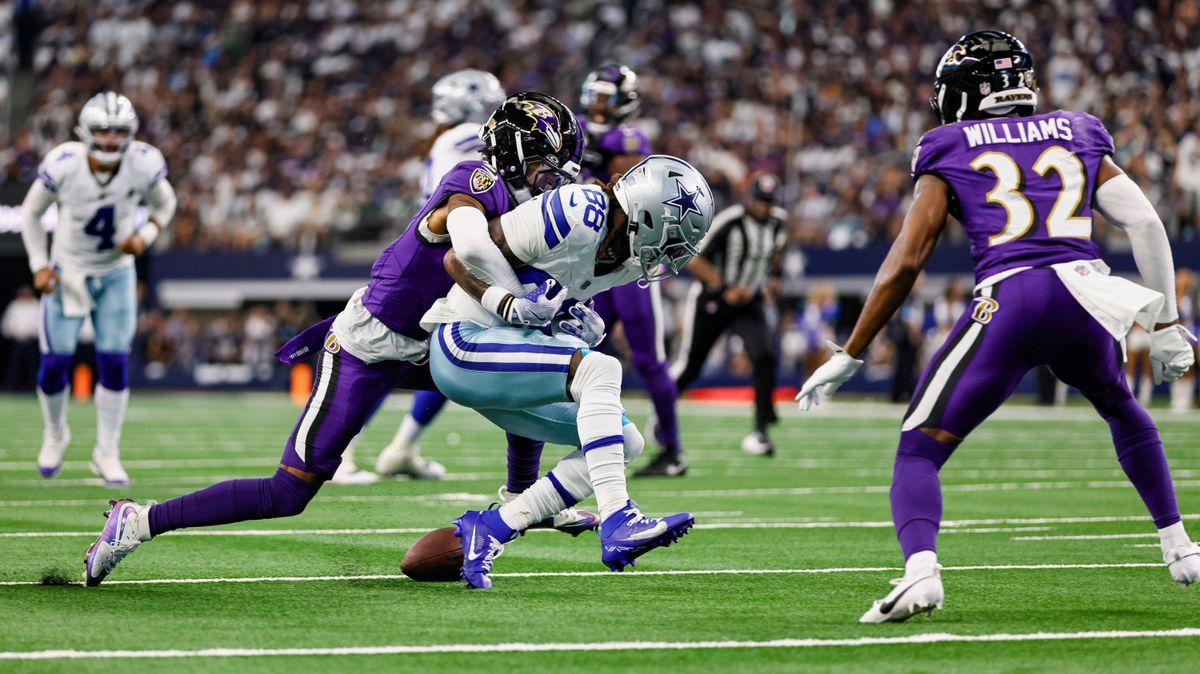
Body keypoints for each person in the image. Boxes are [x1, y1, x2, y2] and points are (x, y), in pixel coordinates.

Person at [82, 93, 587, 587]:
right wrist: (517, 301)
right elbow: (471, 244)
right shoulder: (475, 180)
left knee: (524, 377)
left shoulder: (531, 219)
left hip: (433, 343)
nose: (556, 180)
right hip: (371, 343)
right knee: (288, 493)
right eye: (547, 166)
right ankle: (140, 521)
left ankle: (522, 493)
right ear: (515, 155)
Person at [796, 31, 1200, 623]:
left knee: (918, 449)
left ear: (964, 93)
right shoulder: (1078, 129)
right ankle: (1179, 546)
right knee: (1121, 405)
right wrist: (1166, 320)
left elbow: (909, 259)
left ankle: (921, 573)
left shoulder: (947, 143)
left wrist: (852, 350)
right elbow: (1144, 222)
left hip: (1011, 299)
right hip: (1085, 294)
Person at [421, 155, 714, 588]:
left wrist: (568, 317)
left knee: (626, 440)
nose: (669, 254)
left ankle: (494, 528)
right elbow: (458, 258)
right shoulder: (577, 211)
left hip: (501, 357)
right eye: (671, 239)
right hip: (462, 341)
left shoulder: (625, 260)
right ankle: (618, 516)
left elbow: (551, 297)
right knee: (600, 370)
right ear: (646, 214)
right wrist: (509, 303)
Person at [20, 92, 177, 486]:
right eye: (102, 130)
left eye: (118, 131)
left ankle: (107, 450)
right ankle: (55, 432)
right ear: (85, 132)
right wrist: (39, 264)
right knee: (55, 362)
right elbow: (31, 212)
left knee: (114, 362)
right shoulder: (64, 163)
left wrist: (146, 234)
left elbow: (165, 203)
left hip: (116, 272)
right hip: (69, 270)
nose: (110, 138)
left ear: (131, 133)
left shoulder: (142, 162)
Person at [367, 69, 508, 484]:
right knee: (391, 355)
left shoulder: (443, 141)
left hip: (440, 246)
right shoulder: (465, 136)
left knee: (442, 359)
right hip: (445, 252)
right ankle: (346, 452)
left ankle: (402, 448)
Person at [659, 171, 787, 471]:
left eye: (768, 202)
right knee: (691, 365)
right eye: (759, 201)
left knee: (765, 355)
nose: (764, 208)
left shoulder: (779, 223)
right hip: (713, 299)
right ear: (748, 198)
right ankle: (661, 411)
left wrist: (770, 280)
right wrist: (724, 287)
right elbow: (694, 257)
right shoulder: (730, 222)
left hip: (749, 300)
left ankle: (761, 430)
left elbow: (776, 254)